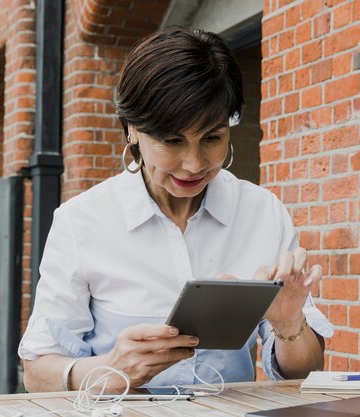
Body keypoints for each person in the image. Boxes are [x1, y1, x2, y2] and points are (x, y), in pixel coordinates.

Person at [19, 26, 334, 393]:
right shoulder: (81, 221)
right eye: (171, 141)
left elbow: (305, 374)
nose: (194, 164)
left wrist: (288, 322)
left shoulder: (263, 213)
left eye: (212, 138)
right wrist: (112, 368)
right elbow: (37, 373)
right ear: (133, 130)